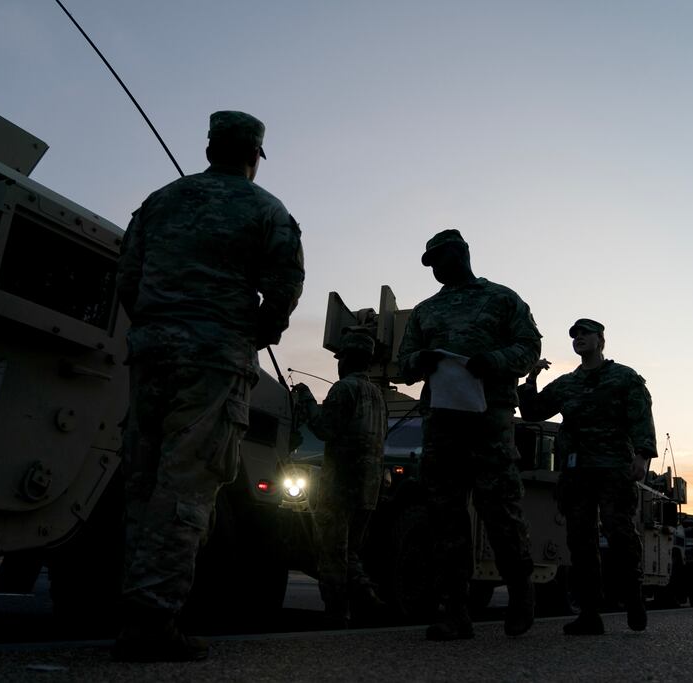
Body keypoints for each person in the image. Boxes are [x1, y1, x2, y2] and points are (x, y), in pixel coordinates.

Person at [114, 111, 305, 661]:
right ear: (254, 155)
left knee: (143, 480)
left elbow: (127, 276)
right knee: (188, 481)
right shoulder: (266, 210)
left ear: (209, 148)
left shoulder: (159, 201)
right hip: (214, 360)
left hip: (150, 352)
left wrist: (156, 325)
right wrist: (255, 333)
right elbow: (284, 288)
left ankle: (132, 610)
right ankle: (152, 622)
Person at [397, 229, 540, 641]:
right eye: (430, 264)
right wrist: (418, 360)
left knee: (501, 511)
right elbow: (404, 362)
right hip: (442, 420)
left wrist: (492, 360)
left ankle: (520, 596)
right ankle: (454, 612)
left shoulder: (501, 298)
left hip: (489, 418)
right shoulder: (426, 311)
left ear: (460, 254)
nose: (435, 269)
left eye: (439, 260)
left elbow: (529, 347)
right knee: (445, 516)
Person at [518, 318, 656, 635]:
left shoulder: (623, 377)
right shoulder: (567, 383)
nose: (578, 338)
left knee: (619, 534)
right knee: (579, 541)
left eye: (585, 333)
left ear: (600, 339)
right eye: (574, 335)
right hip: (576, 473)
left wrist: (643, 455)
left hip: (613, 469)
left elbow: (640, 415)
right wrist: (531, 378)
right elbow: (533, 411)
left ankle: (634, 598)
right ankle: (590, 613)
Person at [292, 330, 388, 628]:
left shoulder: (344, 389)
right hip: (368, 488)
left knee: (332, 552)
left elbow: (324, 430)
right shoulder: (377, 396)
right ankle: (366, 598)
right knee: (350, 551)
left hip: (340, 484)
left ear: (346, 359)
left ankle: (338, 612)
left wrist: (306, 398)